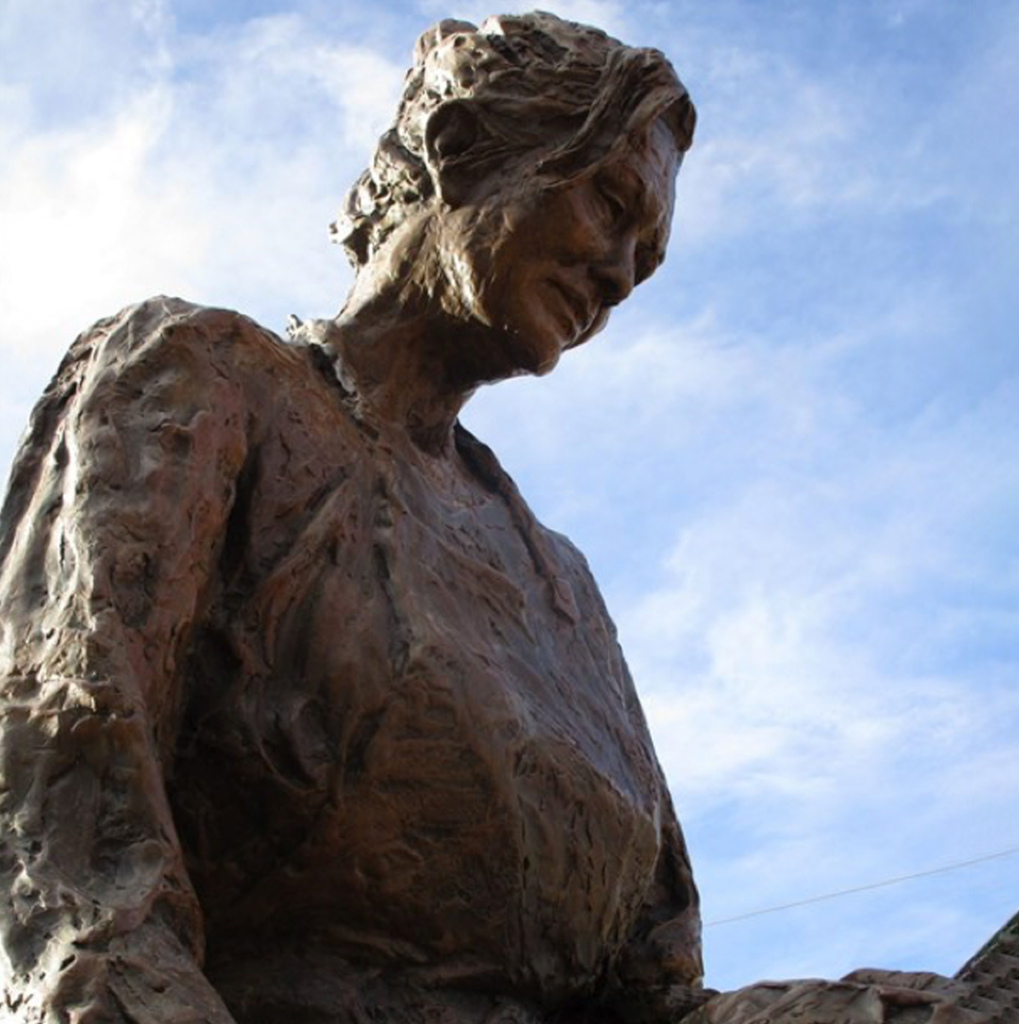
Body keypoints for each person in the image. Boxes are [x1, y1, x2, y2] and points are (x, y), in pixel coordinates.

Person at [0, 13, 704, 1024]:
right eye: (610, 201)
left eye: (647, 253)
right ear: (463, 148)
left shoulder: (566, 589)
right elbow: (62, 815)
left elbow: (657, 978)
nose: (622, 271)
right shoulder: (202, 381)